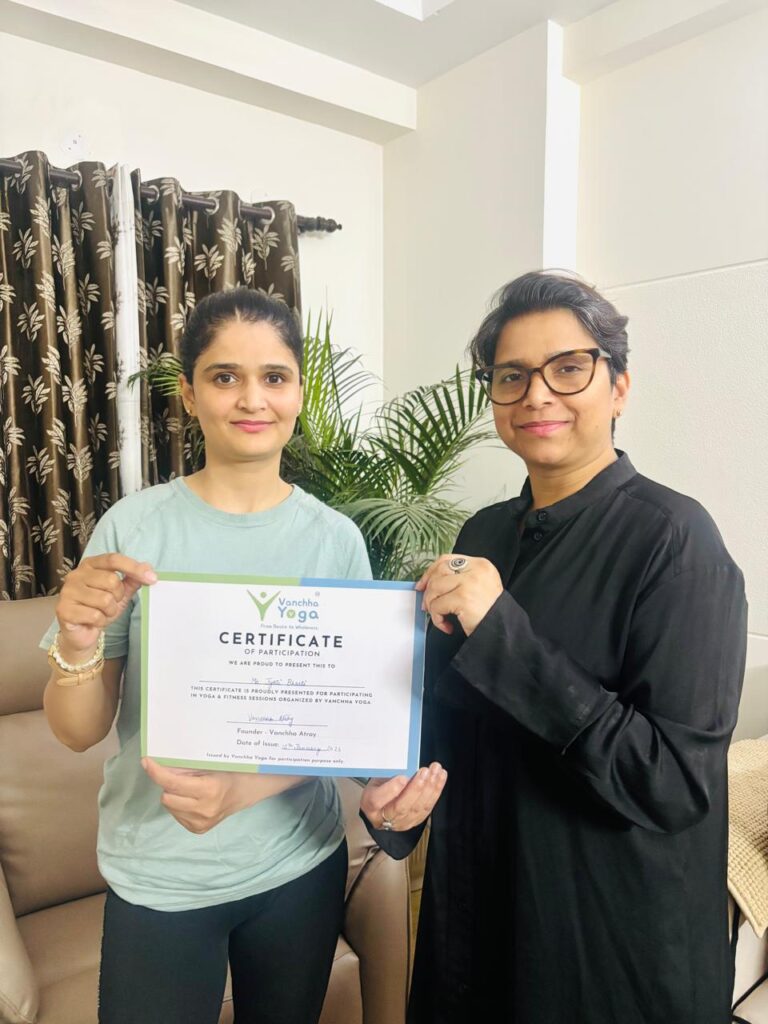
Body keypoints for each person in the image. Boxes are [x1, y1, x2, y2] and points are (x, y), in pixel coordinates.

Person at [360, 271, 747, 1024]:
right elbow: (446, 726)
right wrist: (393, 809)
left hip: (603, 946)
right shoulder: (483, 535)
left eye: (568, 368)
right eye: (511, 376)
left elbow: (671, 784)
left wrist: (502, 628)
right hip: (475, 923)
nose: (537, 395)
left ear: (619, 386)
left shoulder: (675, 541)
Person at [41, 287, 391, 1024]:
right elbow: (77, 730)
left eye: (274, 376)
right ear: (191, 395)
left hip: (299, 863)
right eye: (225, 377)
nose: (251, 399)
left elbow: (349, 724)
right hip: (160, 872)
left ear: (298, 391)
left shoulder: (335, 540)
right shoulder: (134, 528)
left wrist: (246, 789)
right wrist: (76, 644)